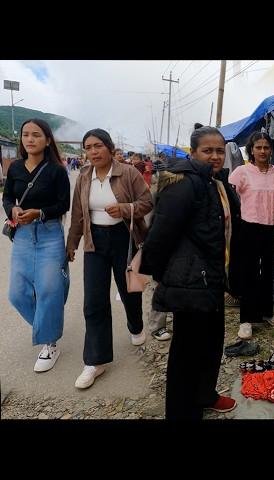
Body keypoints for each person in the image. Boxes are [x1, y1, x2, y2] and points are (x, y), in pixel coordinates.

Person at [140, 123, 240, 419]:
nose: (215, 156)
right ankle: (182, 411)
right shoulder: (185, 182)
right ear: (193, 152)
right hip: (190, 281)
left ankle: (205, 394)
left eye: (220, 151)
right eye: (207, 150)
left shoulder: (217, 181)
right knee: (186, 351)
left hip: (213, 277)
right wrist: (158, 275)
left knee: (212, 342)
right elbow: (161, 232)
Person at [66, 128, 153, 389]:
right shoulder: (83, 176)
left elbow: (147, 201)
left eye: (98, 146)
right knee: (94, 301)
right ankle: (95, 361)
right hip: (95, 242)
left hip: (123, 238)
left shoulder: (128, 172)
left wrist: (126, 209)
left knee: (130, 291)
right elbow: (78, 213)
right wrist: (72, 243)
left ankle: (136, 326)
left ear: (110, 147)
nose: (93, 151)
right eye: (88, 147)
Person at [2, 118, 71, 372]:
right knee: (17, 293)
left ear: (48, 140)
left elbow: (64, 205)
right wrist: (13, 208)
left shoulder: (57, 170)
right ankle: (47, 326)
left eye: (36, 135)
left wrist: (39, 212)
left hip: (50, 234)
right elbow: (8, 196)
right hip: (22, 235)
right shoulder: (16, 168)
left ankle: (50, 342)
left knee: (50, 290)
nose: (29, 139)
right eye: (26, 134)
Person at [229, 131, 274, 340]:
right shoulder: (242, 172)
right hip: (248, 228)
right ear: (251, 150)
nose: (263, 151)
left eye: (266, 147)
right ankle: (246, 319)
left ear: (270, 150)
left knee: (268, 273)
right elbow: (229, 196)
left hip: (270, 228)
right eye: (258, 147)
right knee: (249, 273)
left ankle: (266, 312)